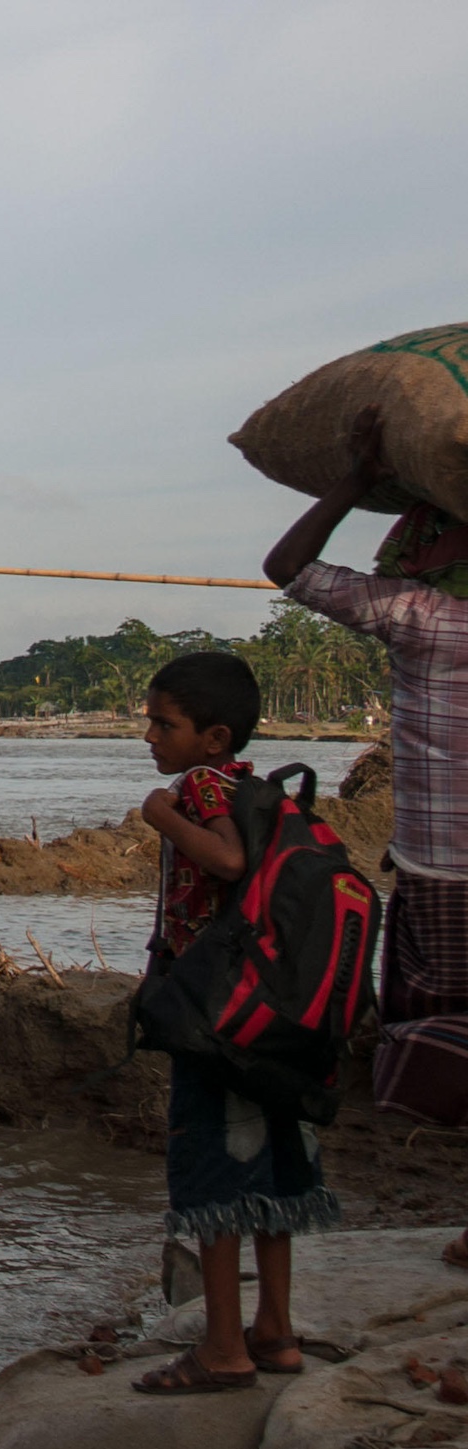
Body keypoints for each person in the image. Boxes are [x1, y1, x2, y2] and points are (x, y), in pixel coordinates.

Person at [260, 404, 468, 1272]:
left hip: (446, 875)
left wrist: (353, 477)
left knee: (445, 1044)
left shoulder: (422, 619)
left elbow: (288, 566)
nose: (406, 547)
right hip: (439, 867)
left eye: (423, 535)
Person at [127, 651, 339, 1394]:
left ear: (213, 738)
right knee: (273, 1178)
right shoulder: (259, 787)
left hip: (216, 1018)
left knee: (217, 1178)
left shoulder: (203, 783)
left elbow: (225, 859)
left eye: (163, 722)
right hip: (266, 1012)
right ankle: (274, 1329)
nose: (149, 735)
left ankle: (222, 1345)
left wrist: (160, 811)